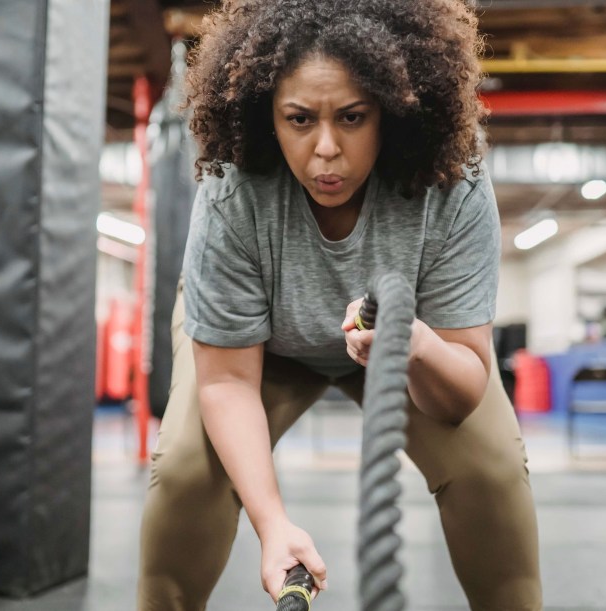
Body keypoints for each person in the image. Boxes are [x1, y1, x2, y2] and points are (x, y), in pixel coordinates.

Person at [137, 1, 542, 609]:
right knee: (188, 473)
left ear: (394, 110)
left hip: (410, 347)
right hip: (260, 350)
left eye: (352, 117)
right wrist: (273, 527)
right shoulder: (234, 185)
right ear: (266, 117)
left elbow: (461, 392)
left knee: (492, 472)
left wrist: (418, 346)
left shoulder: (453, 178)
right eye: (298, 119)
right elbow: (225, 383)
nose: (326, 149)